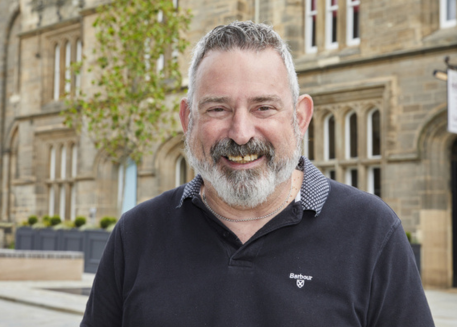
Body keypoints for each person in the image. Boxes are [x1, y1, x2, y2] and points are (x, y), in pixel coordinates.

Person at [81, 21, 435, 327]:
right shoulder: (137, 234)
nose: (240, 132)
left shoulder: (372, 232)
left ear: (299, 118)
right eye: (218, 108)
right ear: (188, 119)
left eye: (263, 107)